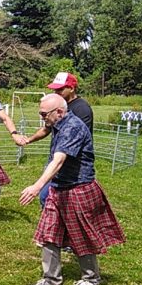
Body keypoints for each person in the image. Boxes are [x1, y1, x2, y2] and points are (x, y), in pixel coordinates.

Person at [19, 94, 125, 285]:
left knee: (81, 234)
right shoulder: (57, 124)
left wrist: (37, 186)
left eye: (44, 114)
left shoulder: (72, 127)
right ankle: (51, 280)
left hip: (78, 188)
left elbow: (59, 160)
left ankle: (91, 279)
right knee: (48, 233)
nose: (42, 117)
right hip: (58, 188)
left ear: (59, 112)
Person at [22, 72, 94, 206]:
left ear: (71, 88)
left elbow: (71, 141)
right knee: (47, 198)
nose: (56, 92)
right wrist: (28, 140)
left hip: (72, 169)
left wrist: (37, 186)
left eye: (60, 89)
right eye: (55, 89)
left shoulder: (81, 109)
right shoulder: (57, 106)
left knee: (47, 197)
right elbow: (47, 129)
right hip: (57, 160)